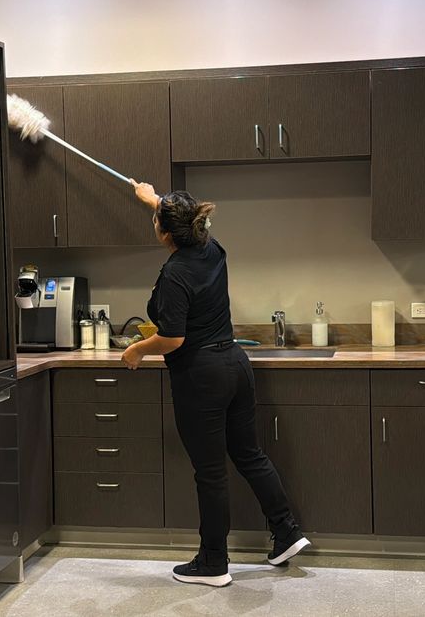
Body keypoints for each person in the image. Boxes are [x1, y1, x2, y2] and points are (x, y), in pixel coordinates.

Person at [120, 181, 310, 587]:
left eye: (156, 219)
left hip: (200, 376)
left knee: (210, 473)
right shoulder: (212, 249)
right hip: (235, 366)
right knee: (249, 454)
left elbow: (172, 338)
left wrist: (137, 350)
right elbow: (182, 222)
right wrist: (154, 200)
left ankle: (213, 562)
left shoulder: (174, 273)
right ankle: (287, 531)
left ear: (165, 232)